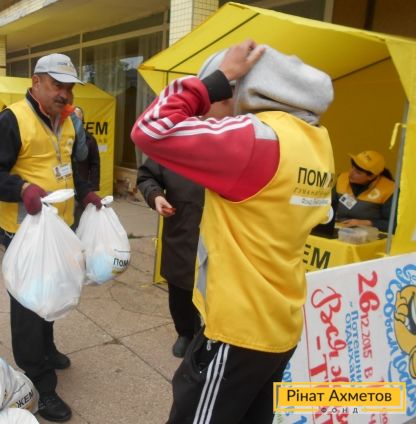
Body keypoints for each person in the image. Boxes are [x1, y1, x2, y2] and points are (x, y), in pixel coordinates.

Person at [131, 40, 335, 423]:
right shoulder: (315, 141)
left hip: (239, 330)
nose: (205, 109)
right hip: (281, 324)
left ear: (236, 91)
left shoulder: (255, 139)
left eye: (217, 95)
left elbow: (150, 130)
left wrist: (218, 78)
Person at [0, 53, 102, 423]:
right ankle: (39, 384)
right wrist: (22, 188)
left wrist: (86, 192)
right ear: (36, 82)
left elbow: (69, 167)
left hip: (59, 230)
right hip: (26, 232)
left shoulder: (66, 121)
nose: (65, 94)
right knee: (29, 310)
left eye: (69, 88)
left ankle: (46, 350)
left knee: (51, 295)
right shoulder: (12, 120)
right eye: (57, 85)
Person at [137, 158, 203, 358]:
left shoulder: (233, 143)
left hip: (222, 233)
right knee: (180, 288)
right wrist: (155, 196)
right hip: (182, 229)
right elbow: (146, 176)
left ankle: (212, 336)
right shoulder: (173, 145)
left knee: (217, 290)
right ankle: (185, 332)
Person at [334, 150, 395, 232]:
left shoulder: (389, 189)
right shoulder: (342, 179)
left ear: (372, 176)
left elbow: (393, 224)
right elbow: (328, 205)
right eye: (352, 168)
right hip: (339, 229)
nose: (351, 173)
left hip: (368, 234)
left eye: (358, 172)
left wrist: (365, 223)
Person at [71, 106, 99, 228]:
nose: (76, 121)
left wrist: (93, 186)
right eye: (73, 118)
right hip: (67, 184)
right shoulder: (64, 137)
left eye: (78, 118)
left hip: (82, 183)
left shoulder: (90, 139)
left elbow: (95, 164)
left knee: (80, 217)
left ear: (82, 120)